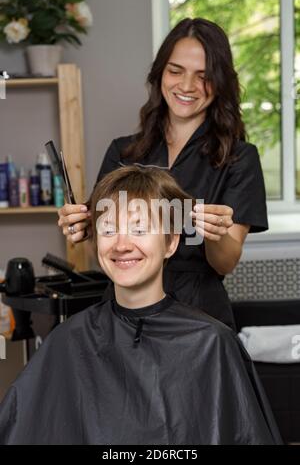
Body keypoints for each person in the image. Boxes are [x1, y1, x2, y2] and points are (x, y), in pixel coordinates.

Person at [0, 166, 281, 445]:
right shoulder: (67, 341)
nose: (122, 244)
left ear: (170, 243)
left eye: (139, 228)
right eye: (108, 230)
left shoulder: (212, 343)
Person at [58, 18, 268, 329]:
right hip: (124, 310)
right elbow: (100, 250)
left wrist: (215, 233)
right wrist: (83, 229)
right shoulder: (124, 153)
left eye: (204, 76)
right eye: (175, 71)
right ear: (159, 75)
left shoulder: (238, 159)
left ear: (220, 82)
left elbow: (225, 262)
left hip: (199, 315)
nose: (186, 86)